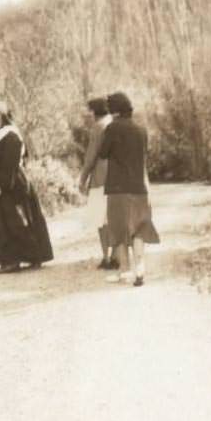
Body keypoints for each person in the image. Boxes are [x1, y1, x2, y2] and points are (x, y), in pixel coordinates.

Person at [0, 101, 53, 274]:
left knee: (9, 222)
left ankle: (12, 261)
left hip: (11, 184)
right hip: (6, 182)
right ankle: (30, 256)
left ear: (4, 116)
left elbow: (9, 164)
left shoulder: (10, 135)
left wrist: (0, 186)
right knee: (12, 221)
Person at [98, 91, 160, 286]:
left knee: (119, 229)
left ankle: (125, 271)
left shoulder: (112, 129)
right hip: (139, 188)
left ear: (114, 111)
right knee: (139, 228)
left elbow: (103, 153)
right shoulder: (141, 130)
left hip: (117, 188)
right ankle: (140, 268)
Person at [78, 96, 117, 269]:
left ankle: (106, 256)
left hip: (101, 177)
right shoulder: (114, 123)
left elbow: (91, 156)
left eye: (89, 111)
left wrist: (83, 178)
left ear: (94, 112)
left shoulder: (98, 127)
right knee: (115, 217)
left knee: (101, 219)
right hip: (117, 177)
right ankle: (116, 254)